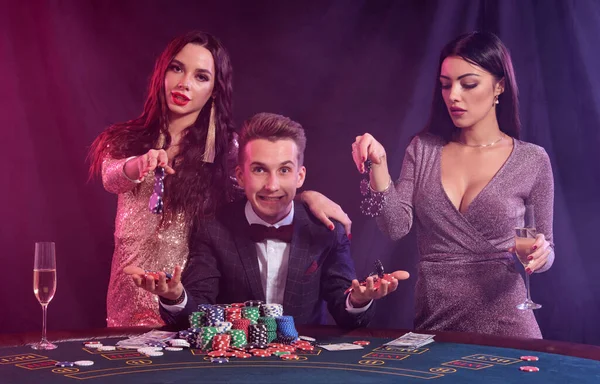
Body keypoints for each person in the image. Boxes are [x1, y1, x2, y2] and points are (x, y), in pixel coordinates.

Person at [89, 32, 352, 327]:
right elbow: (110, 178)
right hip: (128, 289)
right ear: (162, 72)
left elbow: (260, 190)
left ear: (214, 89)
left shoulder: (227, 150)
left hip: (187, 296)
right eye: (177, 68)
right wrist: (139, 164)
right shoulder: (127, 138)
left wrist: (304, 196)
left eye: (200, 77)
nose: (184, 83)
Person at [351, 32, 555, 338]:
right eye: (446, 85)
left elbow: (545, 251)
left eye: (468, 84)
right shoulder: (422, 149)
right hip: (434, 321)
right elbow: (395, 226)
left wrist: (541, 254)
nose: (453, 96)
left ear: (499, 85)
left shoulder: (532, 159)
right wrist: (378, 166)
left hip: (509, 322)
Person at [127, 112, 409, 329]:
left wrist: (358, 300)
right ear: (240, 176)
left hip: (303, 371)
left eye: (284, 170)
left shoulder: (326, 229)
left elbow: (345, 307)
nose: (272, 185)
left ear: (300, 176)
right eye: (260, 170)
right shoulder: (213, 228)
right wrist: (176, 296)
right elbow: (196, 309)